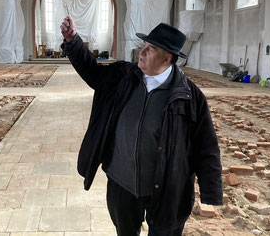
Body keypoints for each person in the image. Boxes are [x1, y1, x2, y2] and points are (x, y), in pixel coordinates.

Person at [60, 15, 223, 236]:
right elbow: (92, 71)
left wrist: (211, 191)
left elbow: (206, 146)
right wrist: (72, 40)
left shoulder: (190, 96)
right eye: (144, 46)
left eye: (151, 49)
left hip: (167, 189)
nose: (142, 52)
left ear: (168, 58)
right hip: (122, 182)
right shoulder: (123, 77)